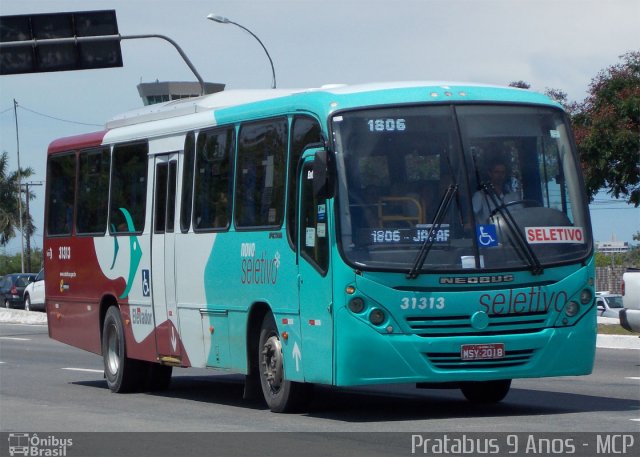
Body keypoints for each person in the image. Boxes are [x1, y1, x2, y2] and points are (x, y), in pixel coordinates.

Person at [472, 157, 520, 223]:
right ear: (490, 173)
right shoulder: (480, 195)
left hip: (513, 232)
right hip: (490, 232)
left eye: (502, 172)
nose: (500, 175)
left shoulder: (513, 196)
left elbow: (521, 215)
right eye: (496, 172)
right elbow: (471, 217)